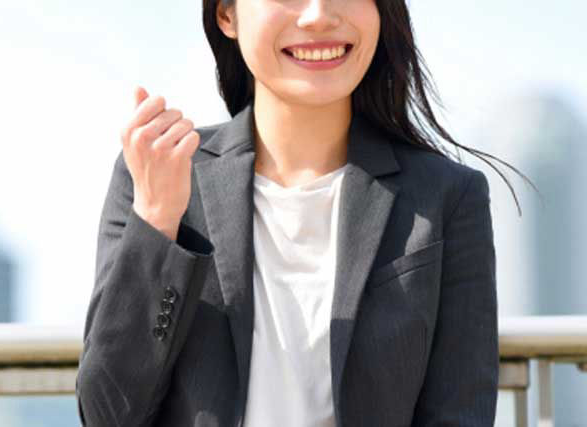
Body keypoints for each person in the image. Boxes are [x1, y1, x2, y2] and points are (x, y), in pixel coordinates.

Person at [75, 0, 531, 425]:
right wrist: (158, 220)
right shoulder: (159, 173)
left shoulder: (448, 196)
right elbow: (108, 414)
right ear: (227, 15)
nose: (318, 15)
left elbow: (459, 412)